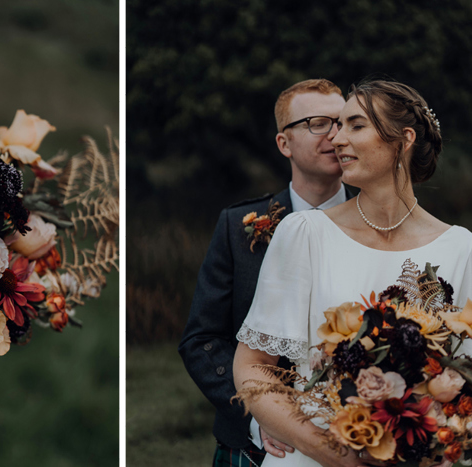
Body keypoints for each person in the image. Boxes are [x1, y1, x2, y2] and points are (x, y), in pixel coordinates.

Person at [233, 79, 463, 467]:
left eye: (355, 125)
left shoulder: (461, 250)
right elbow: (253, 366)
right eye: (337, 126)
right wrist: (332, 453)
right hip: (314, 454)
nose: (336, 139)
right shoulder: (305, 232)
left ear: (403, 139)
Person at [179, 78, 349, 466]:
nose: (335, 135)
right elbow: (202, 339)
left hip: (353, 437)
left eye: (344, 122)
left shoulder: (379, 225)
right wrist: (261, 414)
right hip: (254, 445)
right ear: (283, 144)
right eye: (318, 123)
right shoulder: (238, 226)